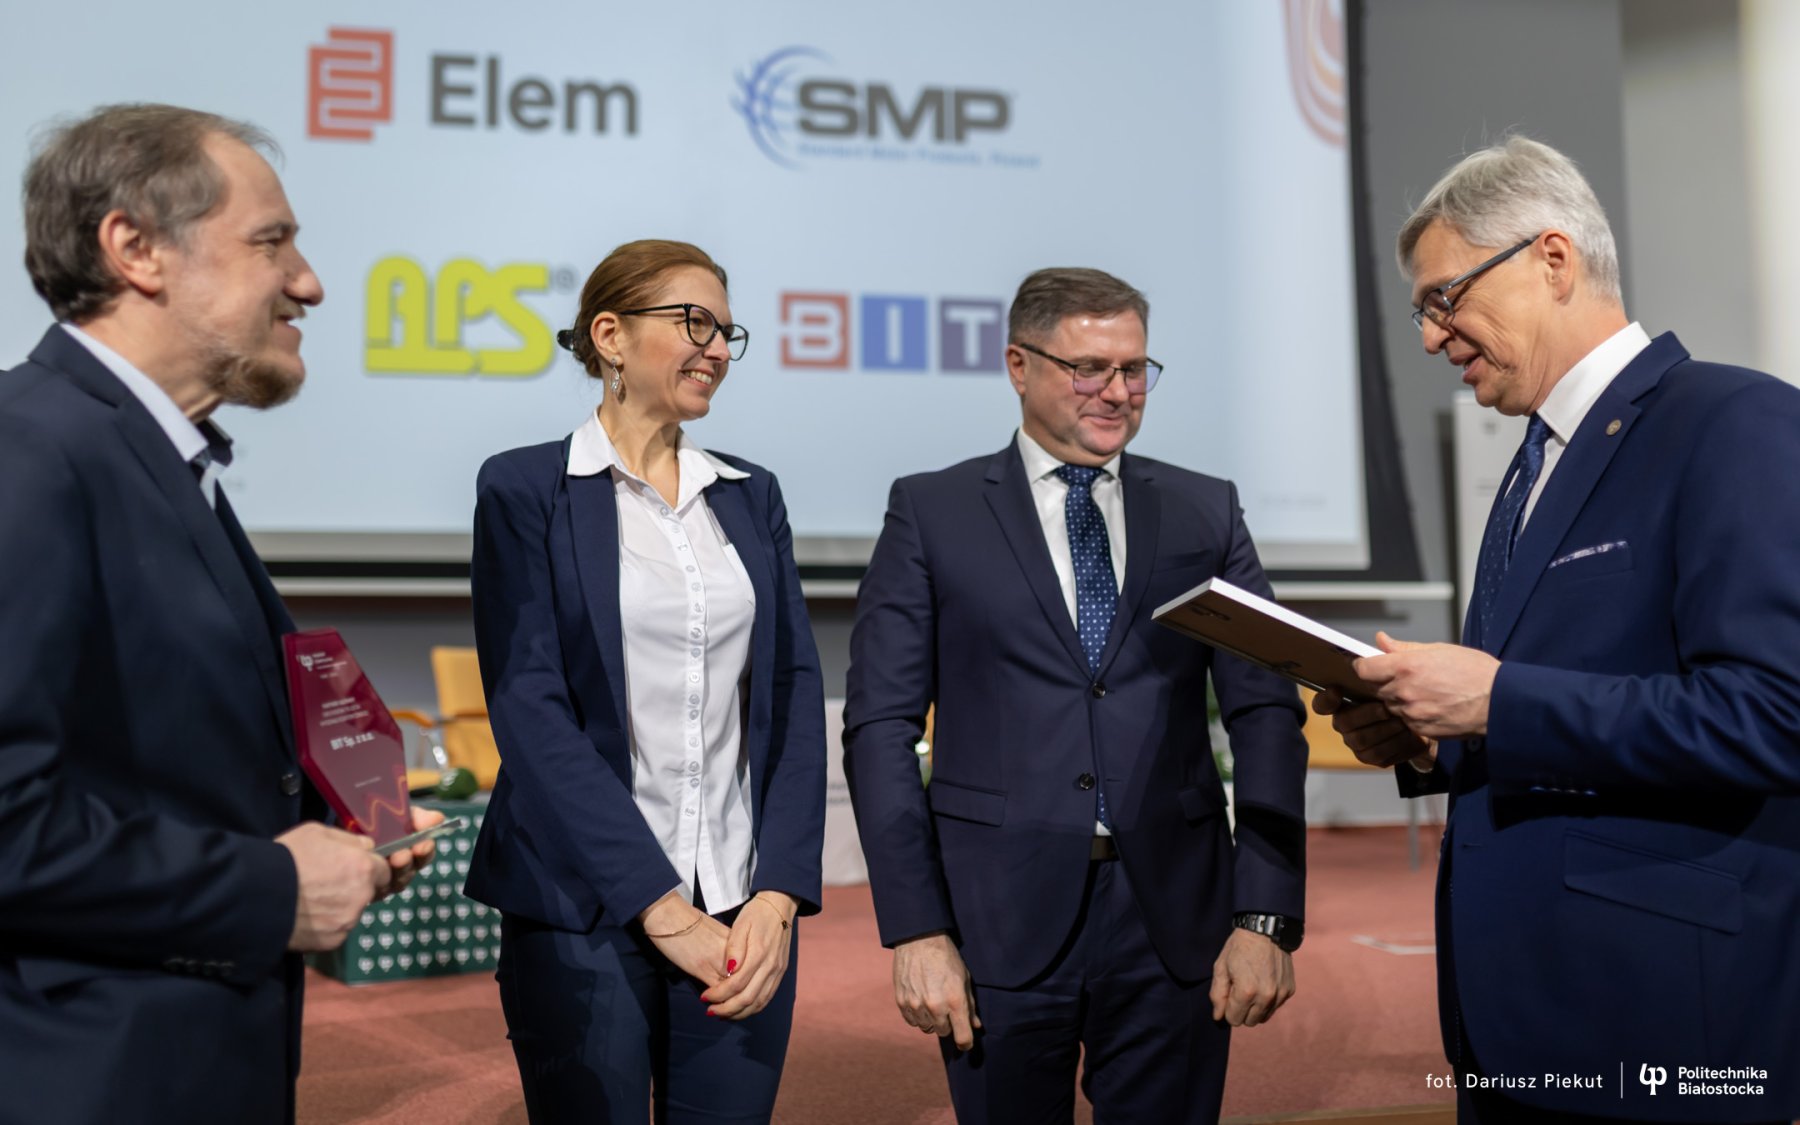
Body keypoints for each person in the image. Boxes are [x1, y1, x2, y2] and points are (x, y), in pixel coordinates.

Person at [1318, 136, 1800, 1123]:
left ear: (1552, 259)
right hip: (1516, 1014)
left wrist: (1496, 700)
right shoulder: (1536, 462)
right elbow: (1568, 693)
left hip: (1661, 1019)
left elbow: (1774, 714)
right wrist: (1431, 740)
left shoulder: (1735, 422)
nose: (1430, 338)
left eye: (1444, 298)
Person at [0, 103, 440, 1124]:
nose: (309, 282)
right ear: (135, 249)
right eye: (270, 242)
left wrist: (333, 837)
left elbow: (146, 766)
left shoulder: (151, 457)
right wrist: (269, 889)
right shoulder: (29, 454)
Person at [843, 267, 1309, 1124]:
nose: (1118, 392)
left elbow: (1266, 713)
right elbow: (879, 728)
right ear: (1019, 366)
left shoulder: (1205, 509)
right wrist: (915, 928)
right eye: (1090, 368)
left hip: (1176, 923)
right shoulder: (932, 511)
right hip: (995, 921)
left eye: (1134, 369)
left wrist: (1266, 913)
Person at [464, 239, 826, 1122]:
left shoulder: (751, 494)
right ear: (610, 336)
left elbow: (792, 694)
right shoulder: (525, 487)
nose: (717, 348)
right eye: (694, 323)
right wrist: (662, 909)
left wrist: (778, 894)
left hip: (741, 907)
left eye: (727, 332)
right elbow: (530, 710)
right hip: (583, 905)